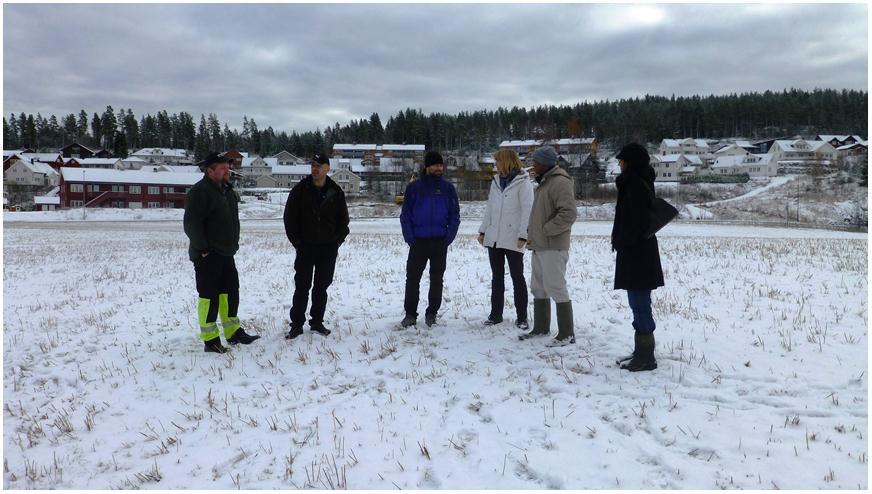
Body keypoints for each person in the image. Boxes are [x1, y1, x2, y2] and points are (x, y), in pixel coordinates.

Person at [184, 152, 260, 353]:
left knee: (230, 294)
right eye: (223, 168)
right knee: (209, 297)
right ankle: (211, 340)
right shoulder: (199, 192)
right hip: (208, 255)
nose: (228, 171)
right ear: (210, 171)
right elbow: (191, 224)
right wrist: (204, 249)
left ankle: (233, 332)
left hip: (226, 252)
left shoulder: (226, 190)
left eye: (228, 167)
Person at [283, 153, 350, 339]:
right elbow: (289, 218)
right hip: (305, 247)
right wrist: (297, 242)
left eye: (319, 166)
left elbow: (343, 221)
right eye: (313, 165)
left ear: (327, 168)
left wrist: (337, 241)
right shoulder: (300, 190)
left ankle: (317, 322)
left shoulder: (336, 191)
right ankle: (296, 324)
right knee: (302, 286)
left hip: (328, 248)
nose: (315, 169)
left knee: (321, 287)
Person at [611, 143, 664, 371]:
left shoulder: (635, 185)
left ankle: (646, 357)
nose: (619, 163)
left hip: (638, 254)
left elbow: (638, 223)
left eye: (622, 160)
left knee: (640, 304)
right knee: (637, 303)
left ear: (630, 162)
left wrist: (623, 240)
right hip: (637, 253)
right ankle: (640, 351)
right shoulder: (635, 183)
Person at [520, 146, 578, 346]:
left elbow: (569, 214)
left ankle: (566, 334)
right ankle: (541, 328)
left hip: (553, 245)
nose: (533, 166)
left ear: (545, 164)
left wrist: (546, 230)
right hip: (539, 245)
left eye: (535, 162)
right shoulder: (544, 183)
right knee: (538, 287)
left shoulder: (560, 182)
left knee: (556, 287)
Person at [399, 150, 460, 328]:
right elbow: (406, 216)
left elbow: (455, 215)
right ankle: (410, 314)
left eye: (440, 165)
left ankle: (432, 313)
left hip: (439, 242)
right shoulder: (414, 188)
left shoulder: (448, 189)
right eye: (435, 165)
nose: (438, 168)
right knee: (412, 279)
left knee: (437, 279)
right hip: (418, 242)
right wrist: (410, 238)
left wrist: (448, 237)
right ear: (427, 167)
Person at [478, 149, 534, 329]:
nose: (496, 164)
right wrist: (483, 231)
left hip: (513, 238)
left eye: (498, 161)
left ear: (507, 161)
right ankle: (495, 315)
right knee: (497, 278)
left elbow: (528, 210)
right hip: (494, 237)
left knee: (517, 277)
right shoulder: (495, 182)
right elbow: (490, 209)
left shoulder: (523, 182)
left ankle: (522, 317)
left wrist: (523, 235)